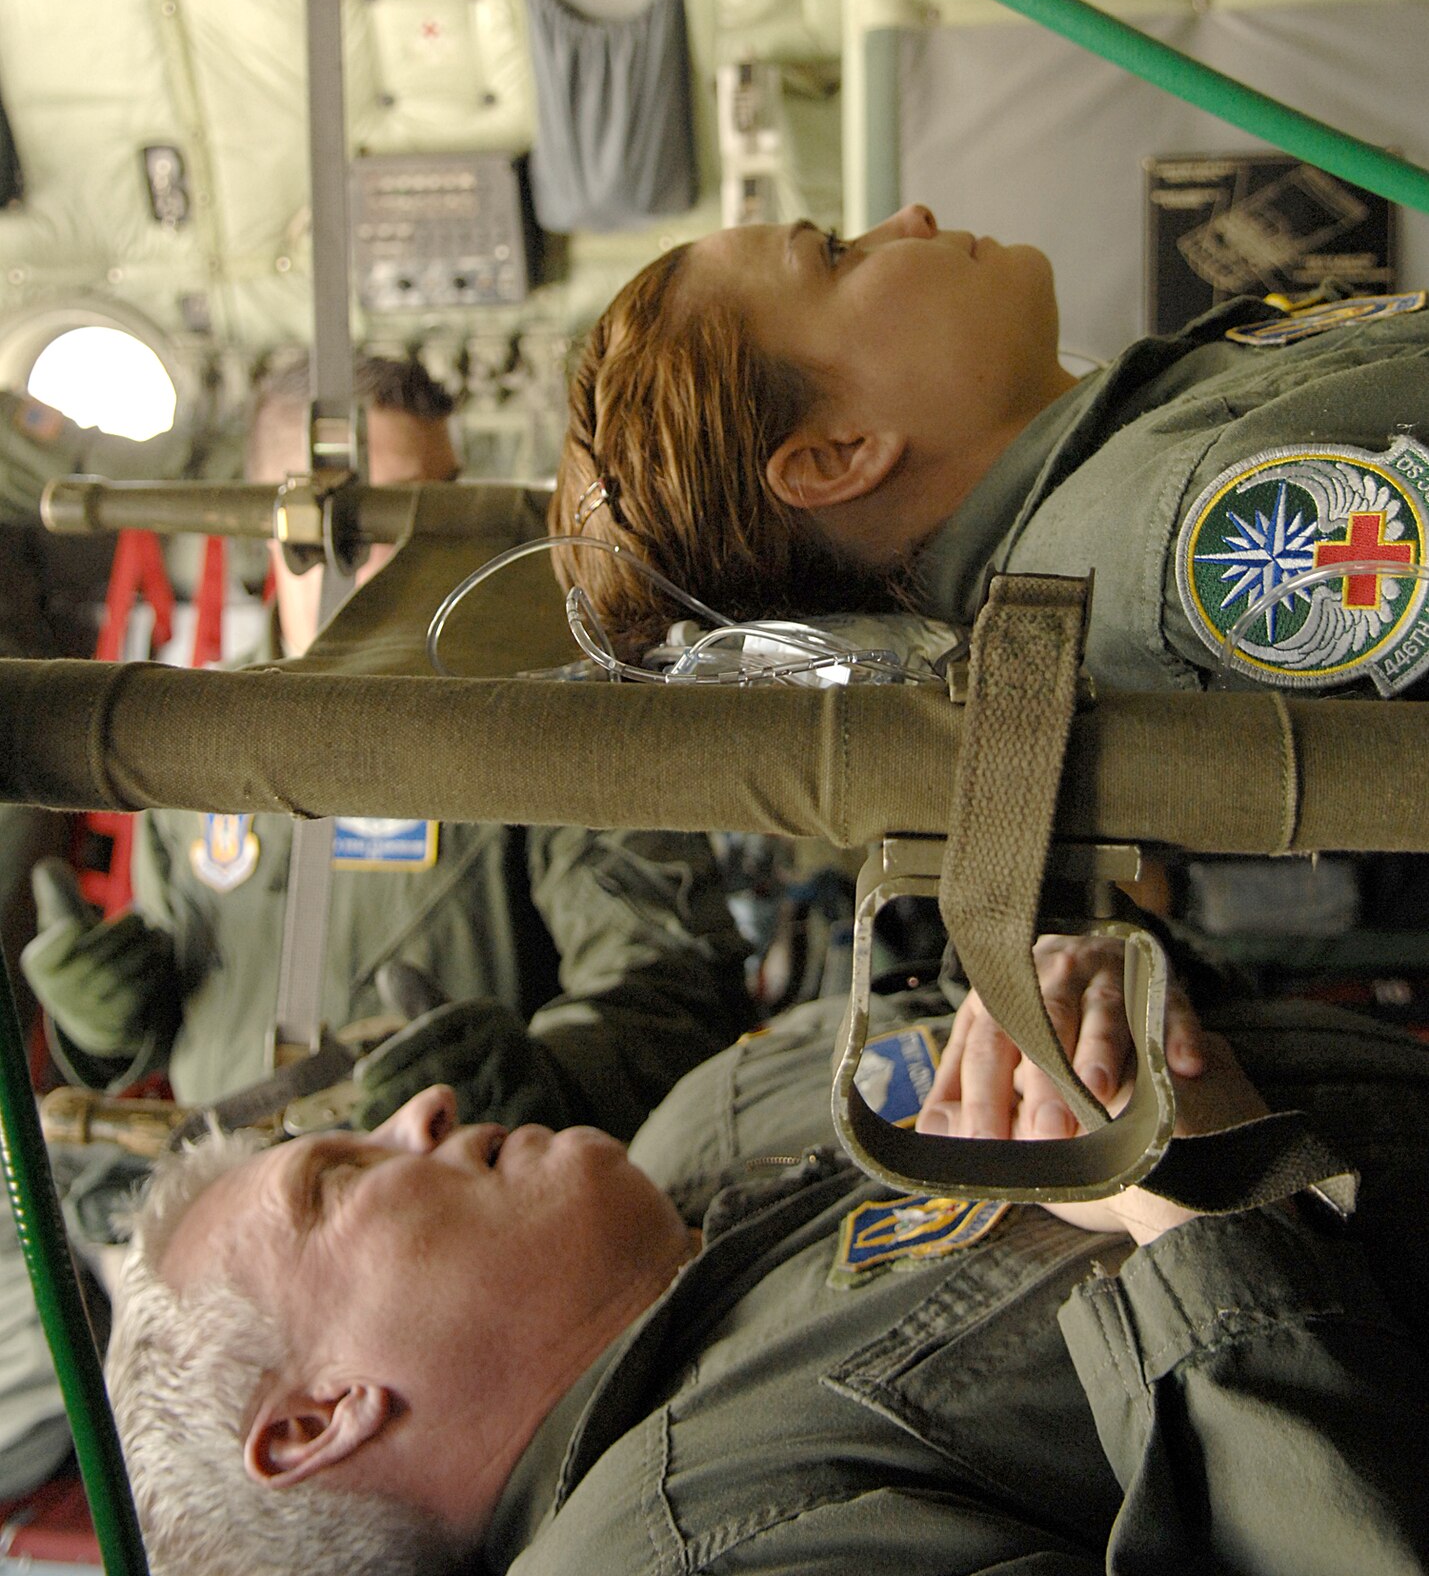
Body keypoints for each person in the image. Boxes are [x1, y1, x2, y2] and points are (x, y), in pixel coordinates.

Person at [103, 936, 1429, 1576]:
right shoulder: (688, 1554)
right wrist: (1189, 1197)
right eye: (338, 1178)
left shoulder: (696, 1127)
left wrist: (1084, 982)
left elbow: (1078, 969)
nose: (420, 1112)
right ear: (322, 1419)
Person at [22, 356, 752, 1132]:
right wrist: (106, 1026)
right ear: (283, 529)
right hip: (231, 1203)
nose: (438, 551)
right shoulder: (189, 730)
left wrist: (534, 1081)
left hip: (456, 1196)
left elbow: (673, 990)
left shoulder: (547, 720)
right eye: (391, 519)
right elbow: (188, 1017)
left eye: (447, 509)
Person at [551, 205, 1429, 693]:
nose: (908, 218)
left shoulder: (1135, 470)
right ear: (835, 455)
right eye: (835, 253)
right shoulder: (1177, 535)